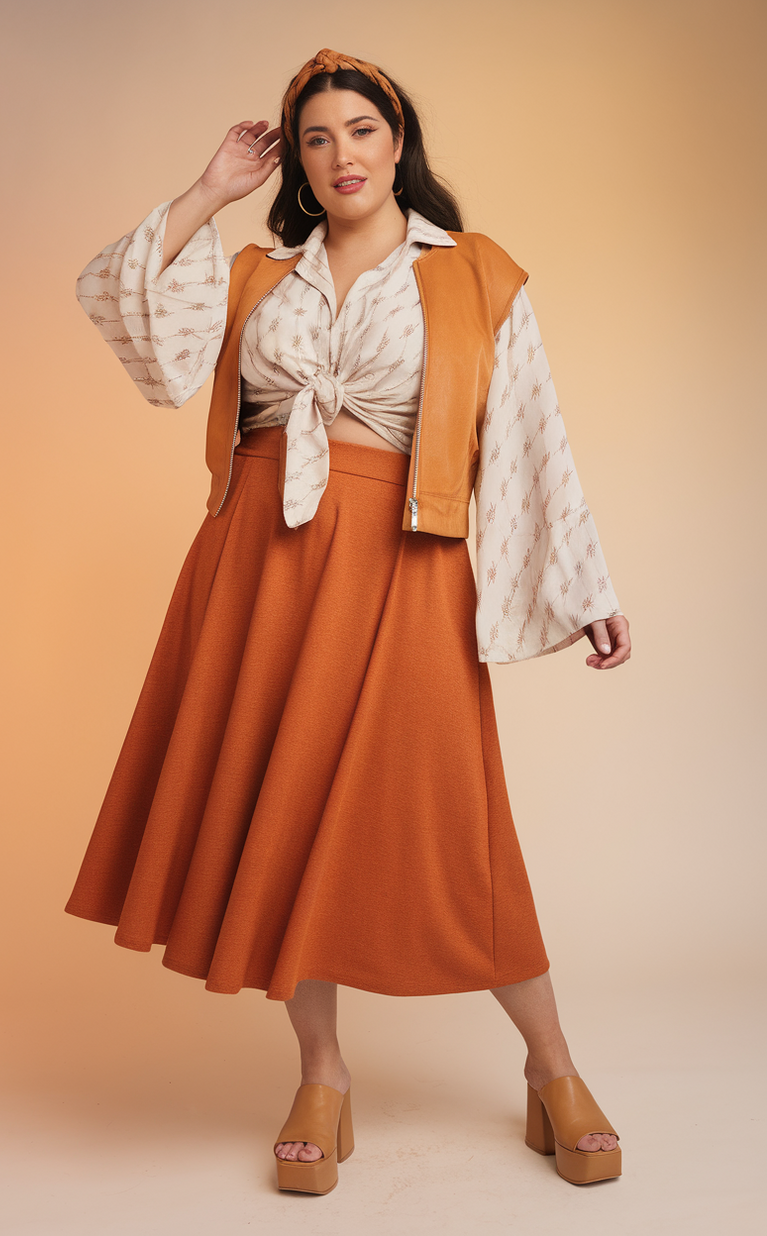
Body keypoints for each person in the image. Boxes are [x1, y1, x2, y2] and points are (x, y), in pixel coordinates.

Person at [66, 48, 631, 1195]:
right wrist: (209, 192)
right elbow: (133, 322)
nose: (339, 156)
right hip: (255, 563)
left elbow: (527, 430)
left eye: (360, 130)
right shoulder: (257, 273)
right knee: (283, 810)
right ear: (300, 160)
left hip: (402, 560)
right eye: (315, 138)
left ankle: (550, 1067)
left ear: (397, 139)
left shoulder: (473, 272)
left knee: (449, 817)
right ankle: (321, 1075)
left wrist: (584, 590)